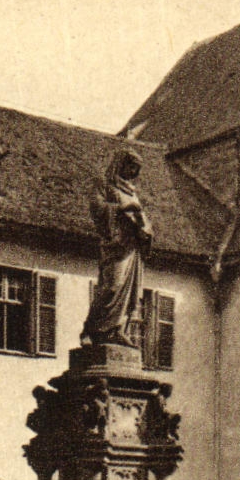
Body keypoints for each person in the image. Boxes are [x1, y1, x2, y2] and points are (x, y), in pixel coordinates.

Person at [82, 149, 154, 348]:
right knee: (111, 287)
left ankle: (119, 330)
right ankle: (90, 330)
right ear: (121, 164)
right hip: (115, 245)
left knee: (132, 293)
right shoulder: (105, 185)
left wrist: (144, 228)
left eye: (136, 169)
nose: (133, 172)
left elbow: (144, 221)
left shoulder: (131, 192)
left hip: (132, 247)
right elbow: (96, 208)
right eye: (131, 166)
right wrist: (121, 209)